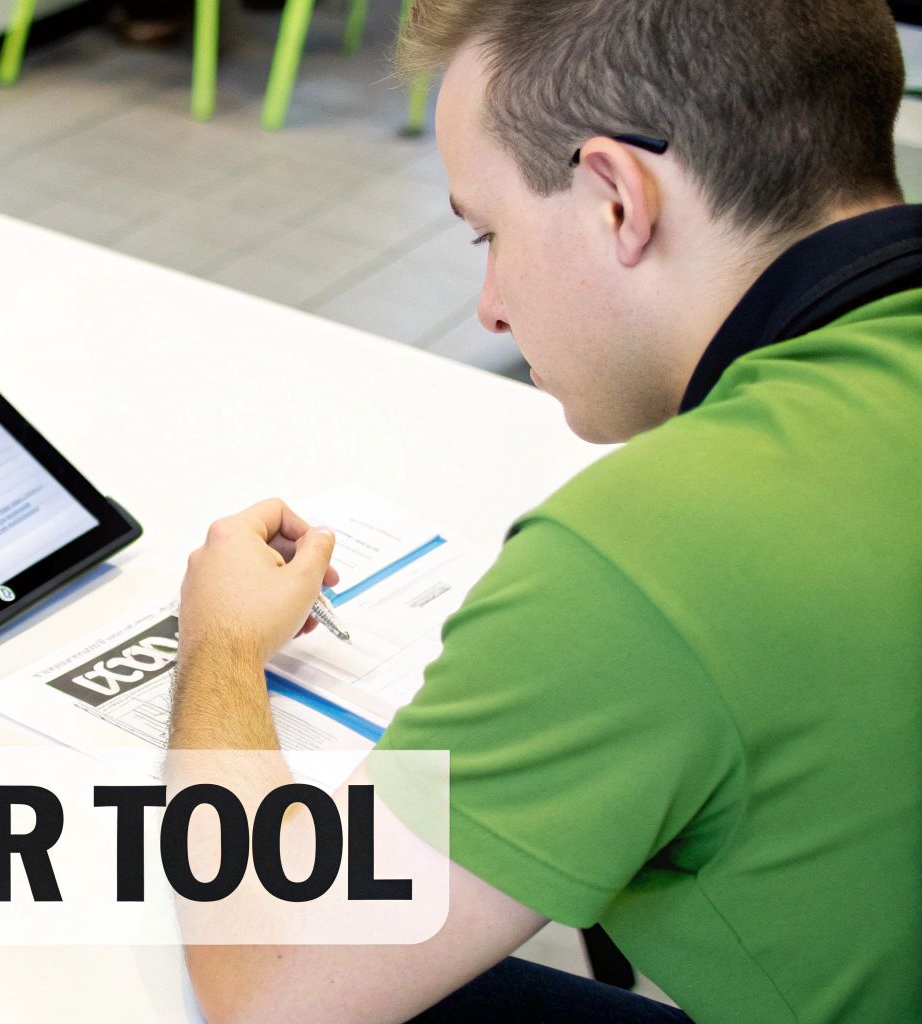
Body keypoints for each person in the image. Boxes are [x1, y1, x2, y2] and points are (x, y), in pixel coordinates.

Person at [167, 0, 922, 1020]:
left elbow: (266, 991)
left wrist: (216, 645)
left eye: (487, 232)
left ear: (616, 196)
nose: (488, 308)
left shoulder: (649, 553)